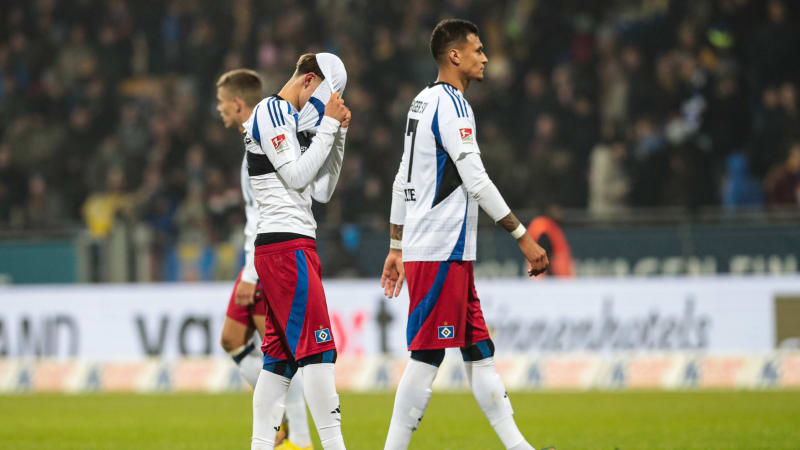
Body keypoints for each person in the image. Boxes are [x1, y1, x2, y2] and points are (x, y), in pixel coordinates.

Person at [380, 19, 549, 450]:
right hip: (440, 247)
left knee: (479, 351)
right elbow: (475, 179)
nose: (486, 58)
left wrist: (397, 245)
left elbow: (402, 178)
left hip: (439, 249)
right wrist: (522, 236)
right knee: (427, 355)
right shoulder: (453, 105)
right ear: (455, 55)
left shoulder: (421, 102)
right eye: (478, 50)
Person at [244, 53, 350, 450]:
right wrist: (328, 126)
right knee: (319, 351)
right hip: (286, 245)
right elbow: (295, 175)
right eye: (323, 97)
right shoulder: (272, 111)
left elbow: (321, 190)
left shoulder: (290, 120)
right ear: (309, 79)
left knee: (279, 361)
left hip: (288, 244)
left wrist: (338, 135)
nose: (321, 108)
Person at [215, 69, 314, 450]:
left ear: (237, 103)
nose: (219, 109)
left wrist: (251, 274)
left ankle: (299, 439)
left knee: (281, 355)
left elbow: (261, 214)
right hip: (257, 257)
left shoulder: (261, 143)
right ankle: (286, 421)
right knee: (231, 339)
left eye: (222, 102)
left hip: (265, 259)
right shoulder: (254, 141)